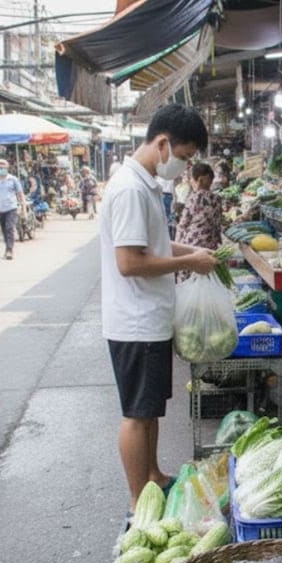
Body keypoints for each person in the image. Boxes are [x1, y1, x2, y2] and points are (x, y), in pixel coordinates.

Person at [99, 103, 219, 510]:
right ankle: (138, 501)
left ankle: (152, 475)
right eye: (183, 157)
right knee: (136, 413)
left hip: (148, 318)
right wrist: (189, 262)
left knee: (150, 410)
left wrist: (193, 250)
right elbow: (130, 262)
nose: (183, 167)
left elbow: (154, 246)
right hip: (134, 321)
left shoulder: (145, 183)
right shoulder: (131, 189)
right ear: (163, 143)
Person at [174, 162, 223, 282]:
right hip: (209, 245)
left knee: (187, 278)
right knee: (206, 279)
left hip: (191, 245)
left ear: (199, 180)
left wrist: (177, 245)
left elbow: (183, 224)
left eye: (191, 179)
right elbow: (217, 224)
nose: (190, 182)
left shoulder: (193, 198)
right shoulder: (217, 199)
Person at [0, 157, 25, 260]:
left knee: (9, 228)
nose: (1, 169)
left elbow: (20, 194)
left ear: (7, 168)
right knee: (3, 230)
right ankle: (7, 247)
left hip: (11, 207)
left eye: (3, 167)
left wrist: (23, 207)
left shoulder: (13, 179)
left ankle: (10, 250)